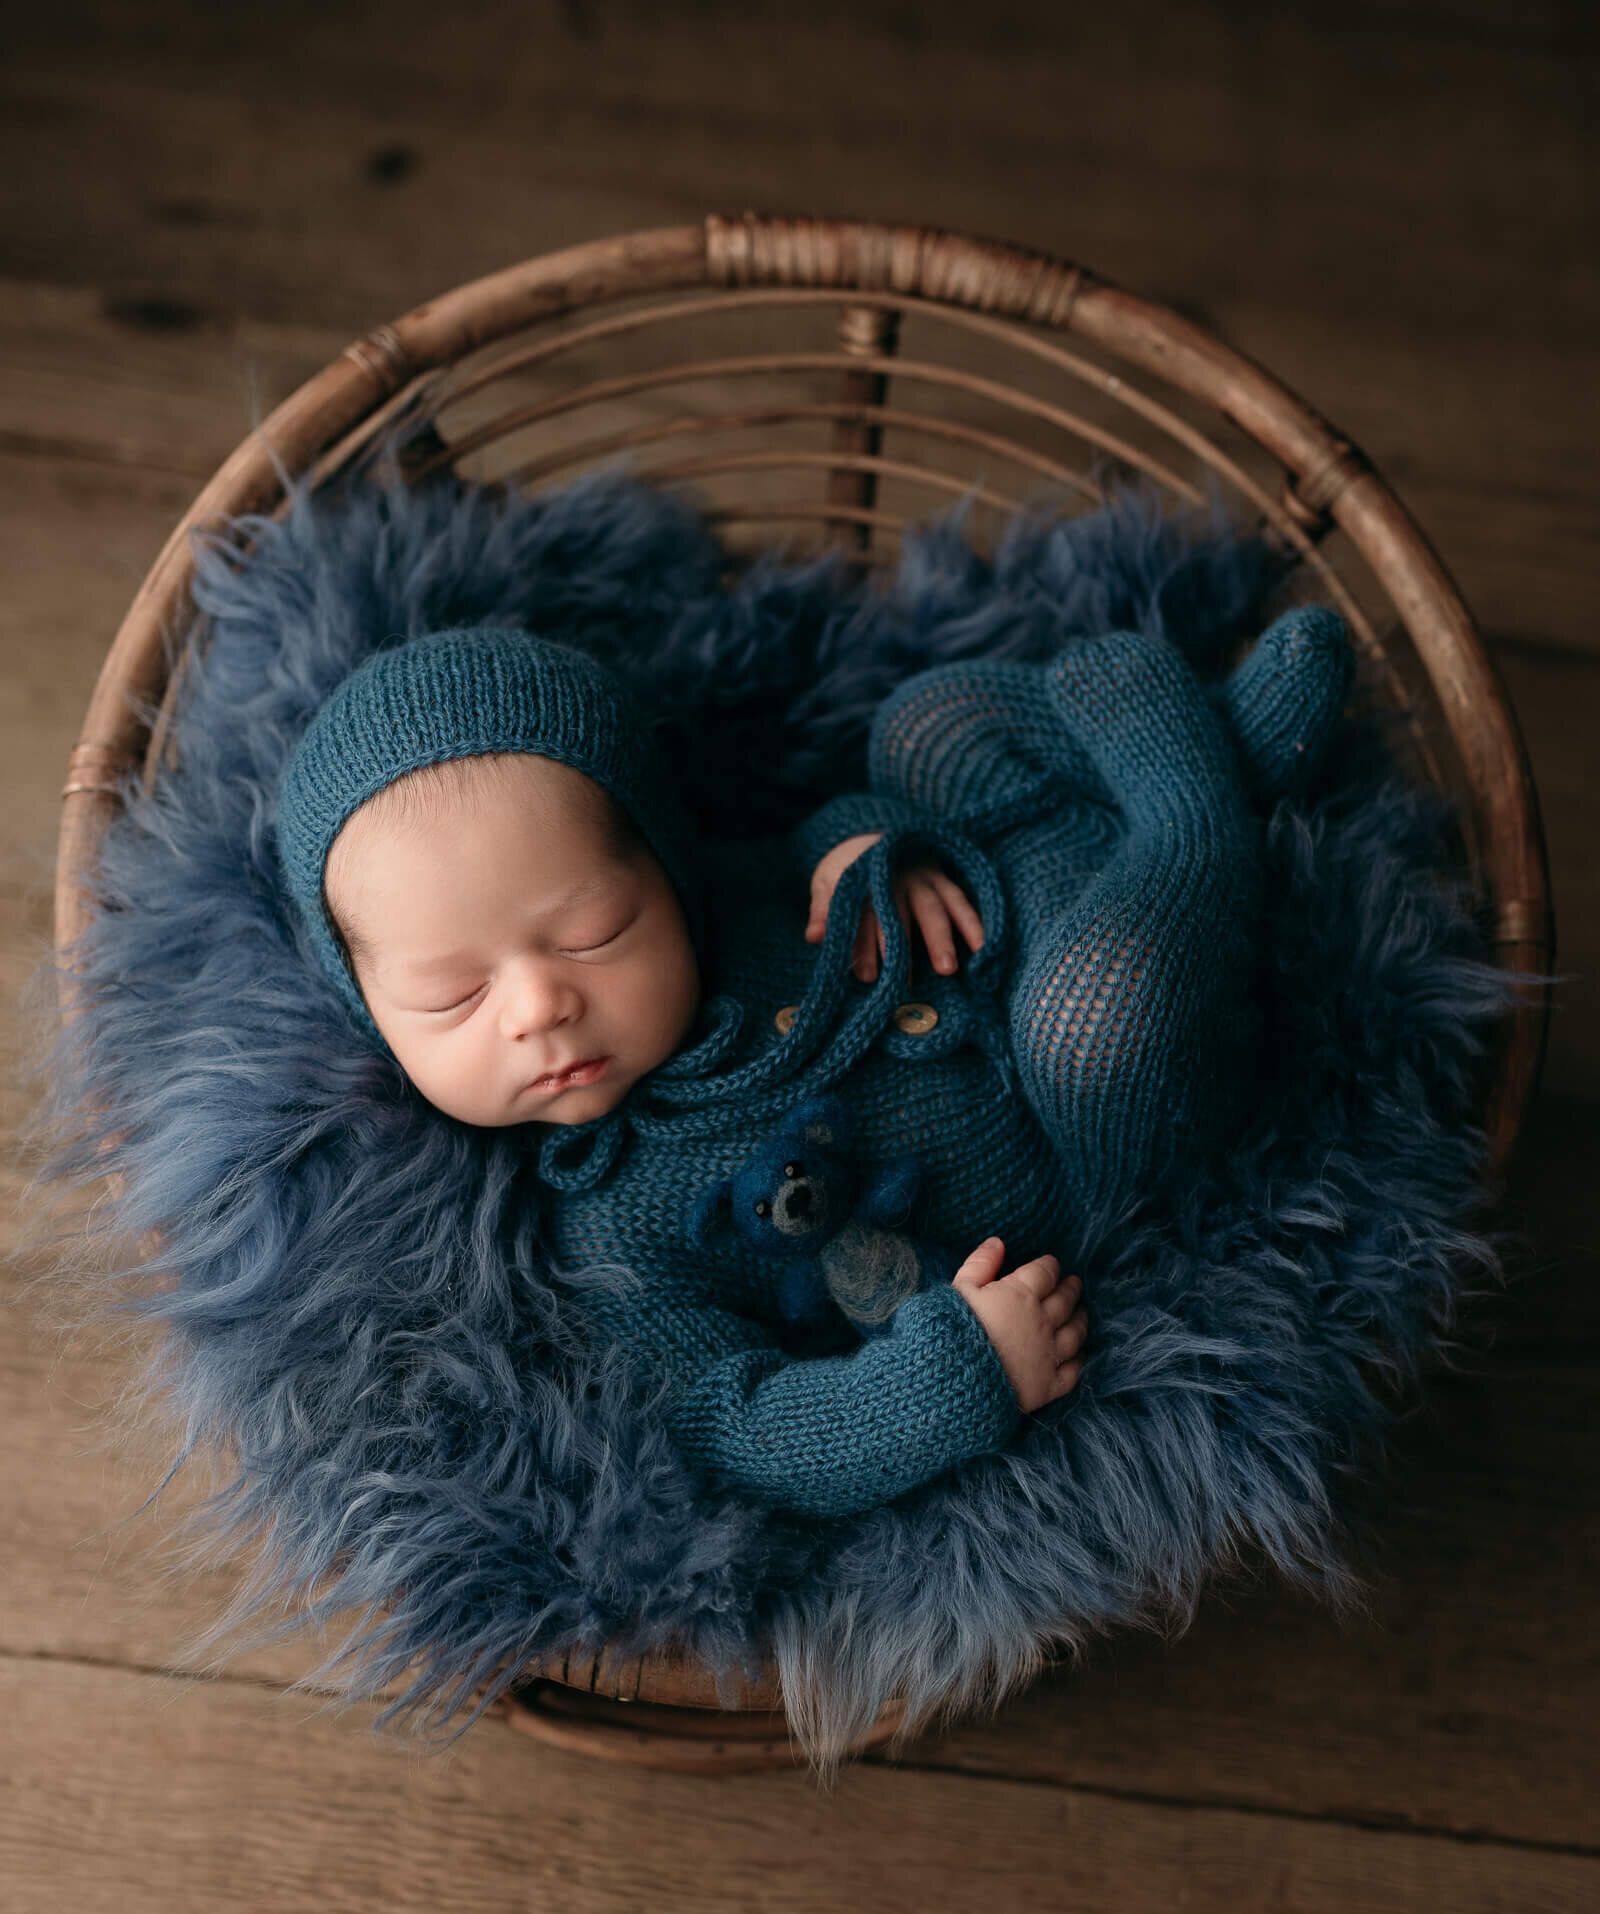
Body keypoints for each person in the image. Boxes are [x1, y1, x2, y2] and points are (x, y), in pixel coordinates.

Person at [276, 608, 1351, 1518]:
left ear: (667, 869)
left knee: (926, 726)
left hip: (1006, 899)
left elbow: (803, 838)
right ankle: (1197, 810)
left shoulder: (724, 907)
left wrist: (861, 846)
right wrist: (955, 1375)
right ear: (371, 1016)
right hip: (1084, 1116)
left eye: (594, 929)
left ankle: (1214, 763)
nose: (540, 1003)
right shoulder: (617, 1234)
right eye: (453, 996)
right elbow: (737, 1423)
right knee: (1100, 1023)